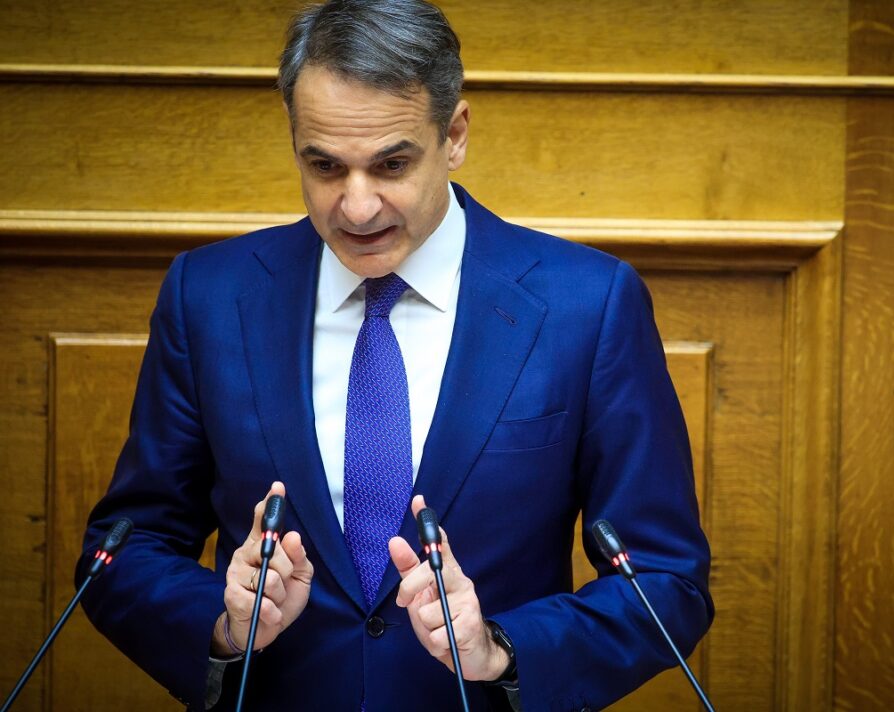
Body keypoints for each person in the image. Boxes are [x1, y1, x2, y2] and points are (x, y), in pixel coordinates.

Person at [78, 1, 713, 710]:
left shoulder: (586, 306)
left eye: (392, 164)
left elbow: (665, 581)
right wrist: (224, 626)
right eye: (325, 165)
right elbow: (122, 551)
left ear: (455, 135)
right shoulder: (209, 296)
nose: (357, 207)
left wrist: (502, 647)